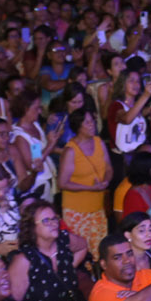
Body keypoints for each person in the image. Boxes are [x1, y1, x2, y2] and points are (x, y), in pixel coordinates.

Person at [56, 107, 113, 259]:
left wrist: (106, 180)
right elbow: (62, 183)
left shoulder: (98, 142)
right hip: (76, 212)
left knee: (99, 251)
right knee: (82, 253)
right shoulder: (71, 151)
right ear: (78, 127)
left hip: (97, 209)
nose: (92, 125)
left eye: (92, 121)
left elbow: (108, 167)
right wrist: (90, 188)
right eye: (87, 122)